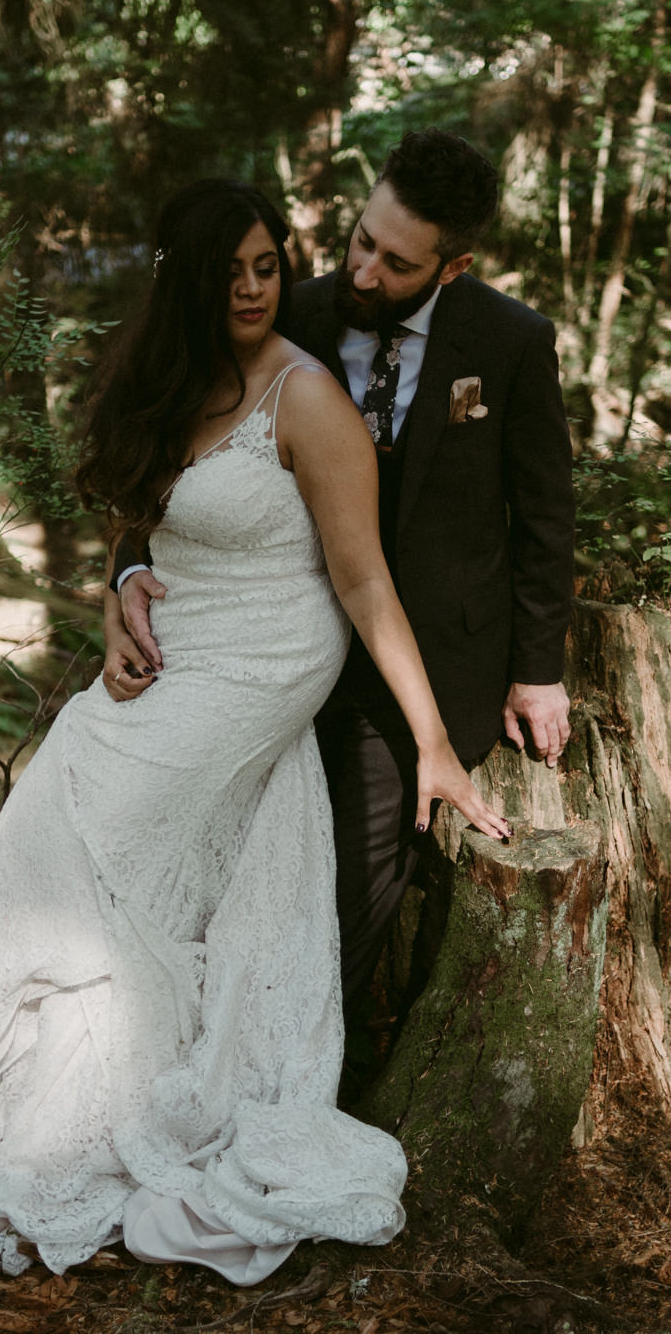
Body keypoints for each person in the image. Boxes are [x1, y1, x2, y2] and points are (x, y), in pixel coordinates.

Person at [0, 178, 509, 1286]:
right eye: (230, 269)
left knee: (87, 827)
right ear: (185, 279)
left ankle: (141, 1078)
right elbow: (137, 512)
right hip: (180, 635)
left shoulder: (305, 399)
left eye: (265, 264)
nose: (252, 287)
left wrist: (433, 739)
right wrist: (126, 583)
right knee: (50, 828)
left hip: (270, 658)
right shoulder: (171, 378)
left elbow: (361, 579)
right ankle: (107, 1069)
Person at [107, 131, 574, 1063]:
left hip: (419, 669)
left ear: (456, 265)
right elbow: (170, 459)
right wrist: (124, 575)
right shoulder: (289, 307)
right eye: (363, 238)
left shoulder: (511, 341)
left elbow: (545, 510)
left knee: (337, 899)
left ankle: (310, 1078)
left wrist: (538, 670)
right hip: (260, 657)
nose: (364, 268)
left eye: (397, 262)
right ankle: (156, 1050)